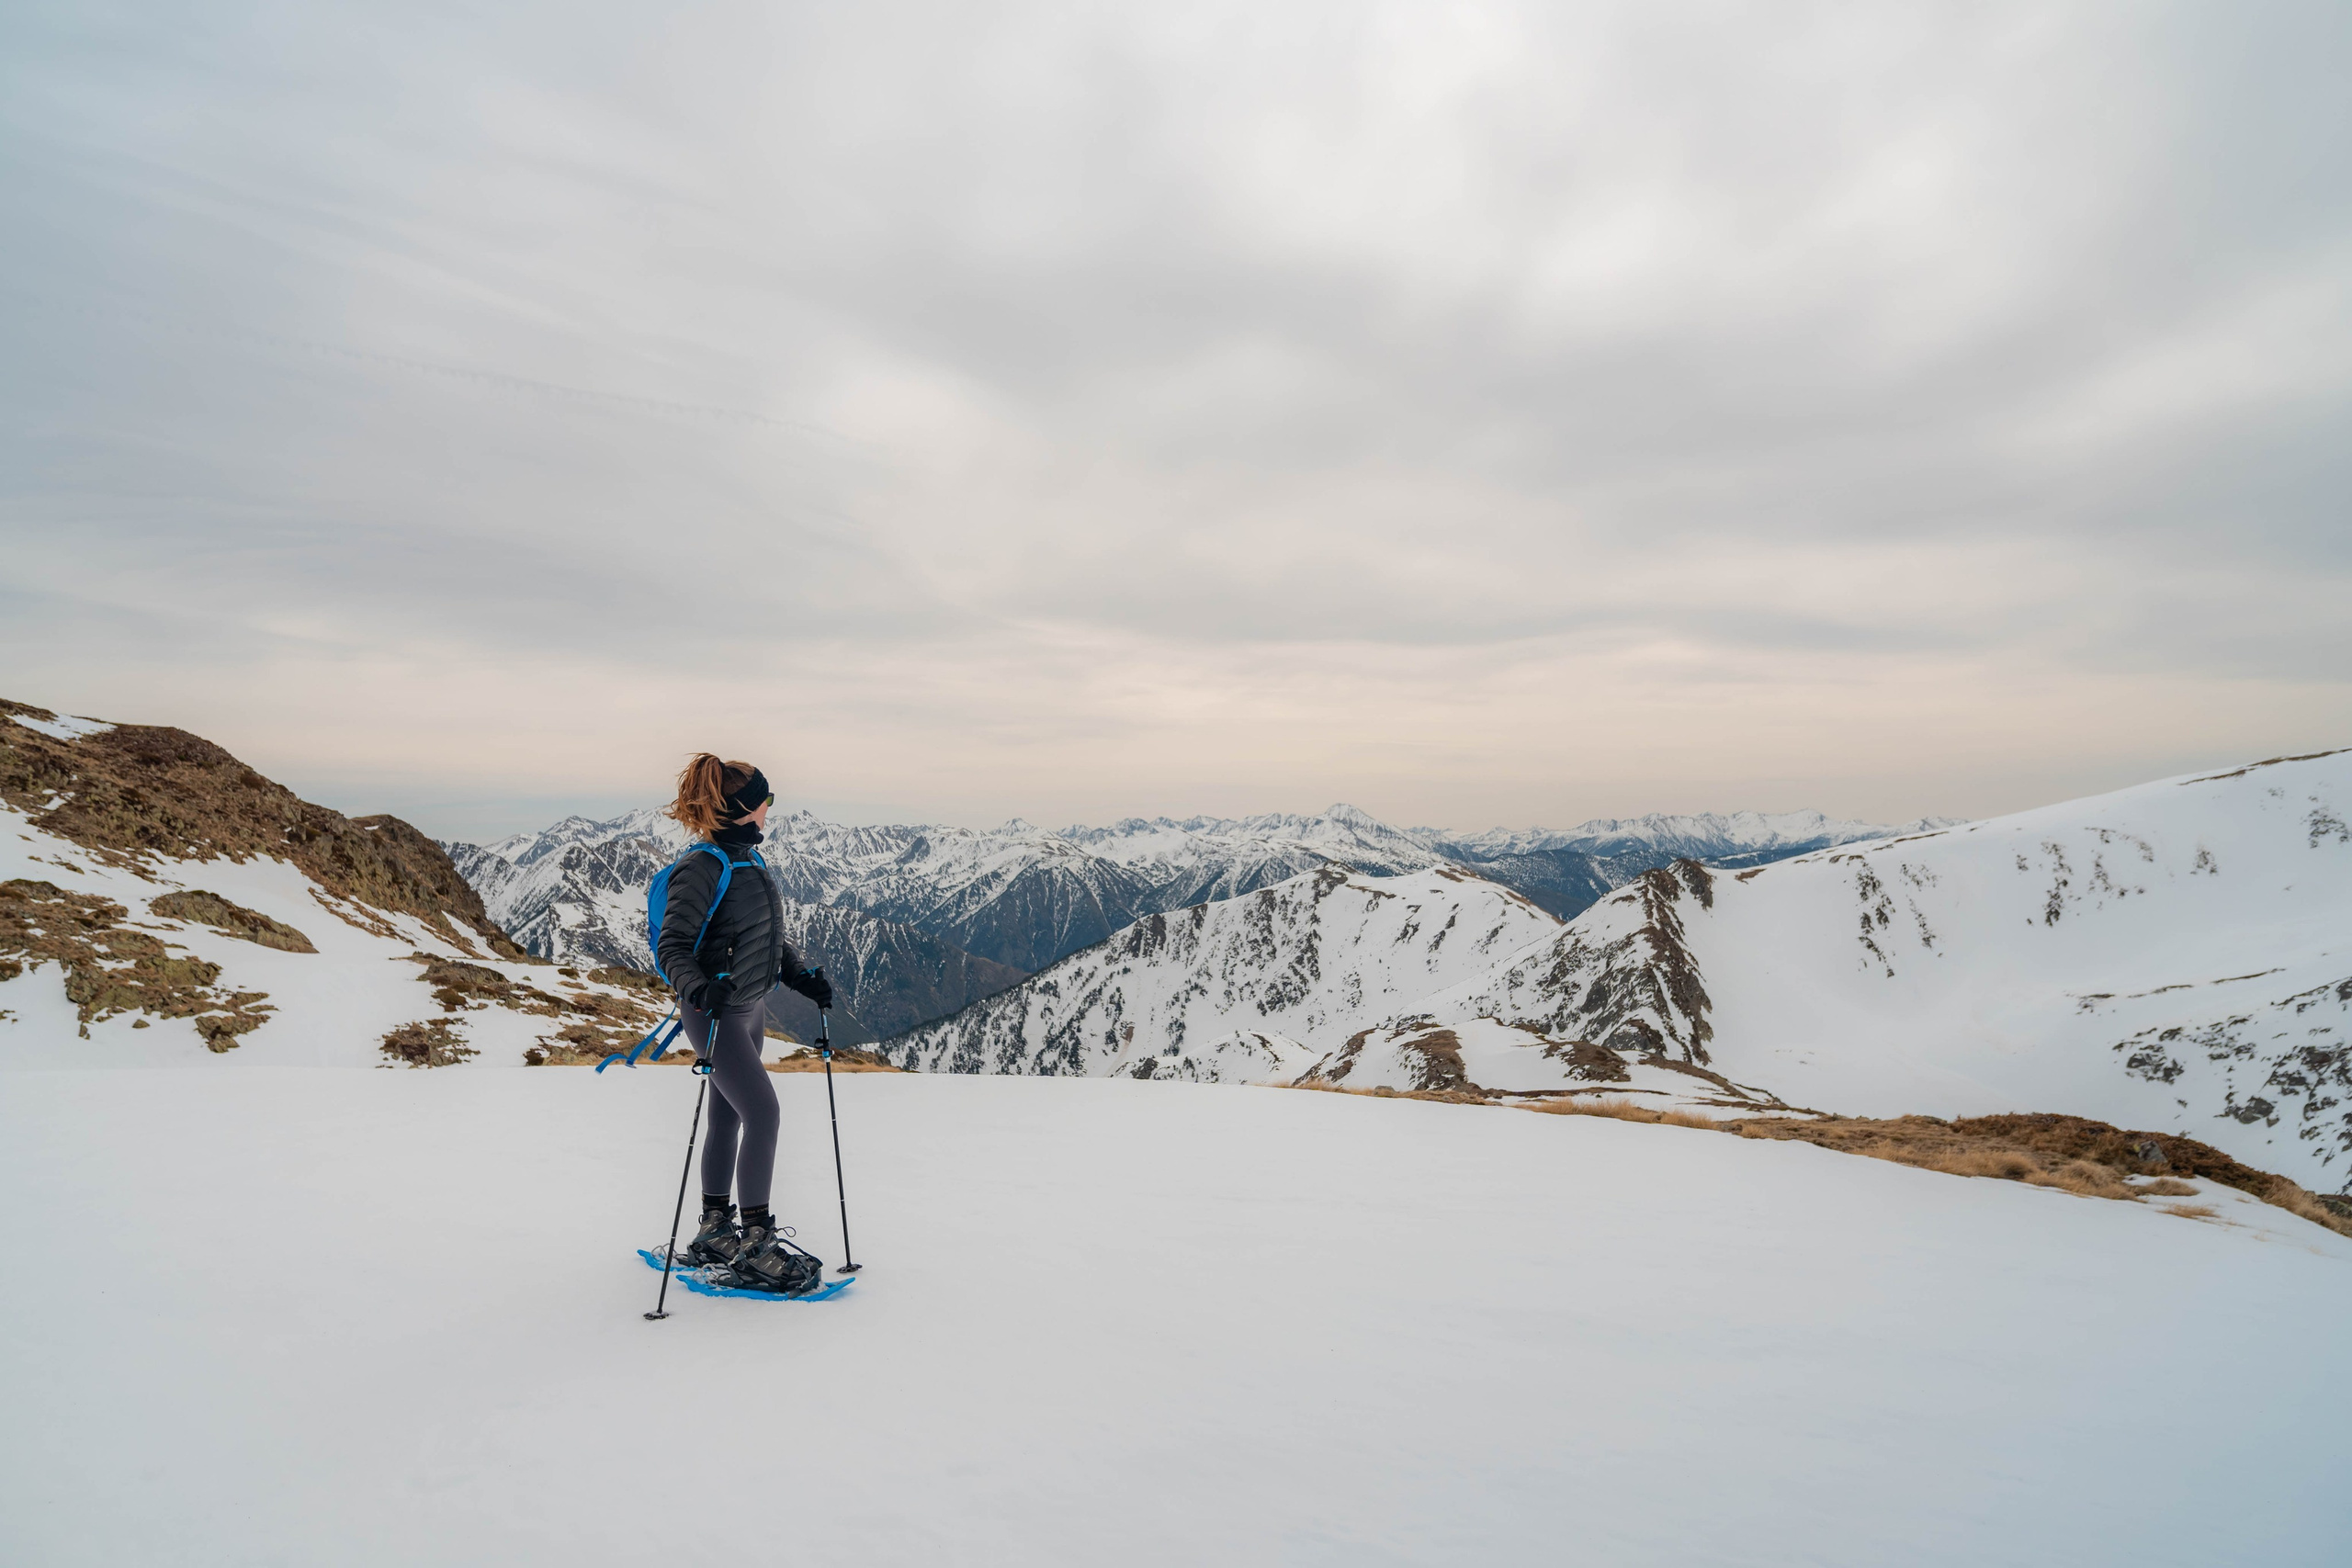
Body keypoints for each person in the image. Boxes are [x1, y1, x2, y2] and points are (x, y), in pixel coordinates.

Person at [658, 753, 834, 1291]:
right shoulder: (702, 867)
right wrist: (701, 988)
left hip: (749, 1008)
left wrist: (798, 975)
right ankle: (756, 1243)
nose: (769, 809)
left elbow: (765, 933)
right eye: (766, 800)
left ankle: (715, 1229)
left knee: (731, 1117)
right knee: (764, 1113)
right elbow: (672, 948)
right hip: (715, 1014)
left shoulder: (748, 860)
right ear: (743, 809)